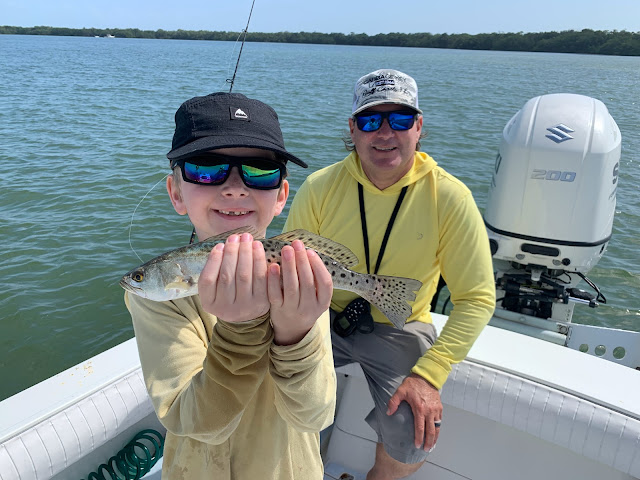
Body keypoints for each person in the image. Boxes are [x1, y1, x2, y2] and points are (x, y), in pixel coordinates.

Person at [284, 69, 496, 480]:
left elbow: (477, 298)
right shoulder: (319, 186)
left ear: (418, 126)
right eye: (369, 120)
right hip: (320, 315)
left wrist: (430, 375)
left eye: (399, 119)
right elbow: (293, 267)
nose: (384, 133)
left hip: (401, 324)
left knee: (414, 431)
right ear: (353, 129)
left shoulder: (449, 197)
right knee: (270, 384)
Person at [124, 92, 336, 479]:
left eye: (260, 171)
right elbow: (199, 425)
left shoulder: (295, 276)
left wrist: (295, 333)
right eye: (206, 169)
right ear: (176, 192)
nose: (235, 188)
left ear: (281, 196)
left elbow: (314, 416)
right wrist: (241, 330)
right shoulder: (157, 299)